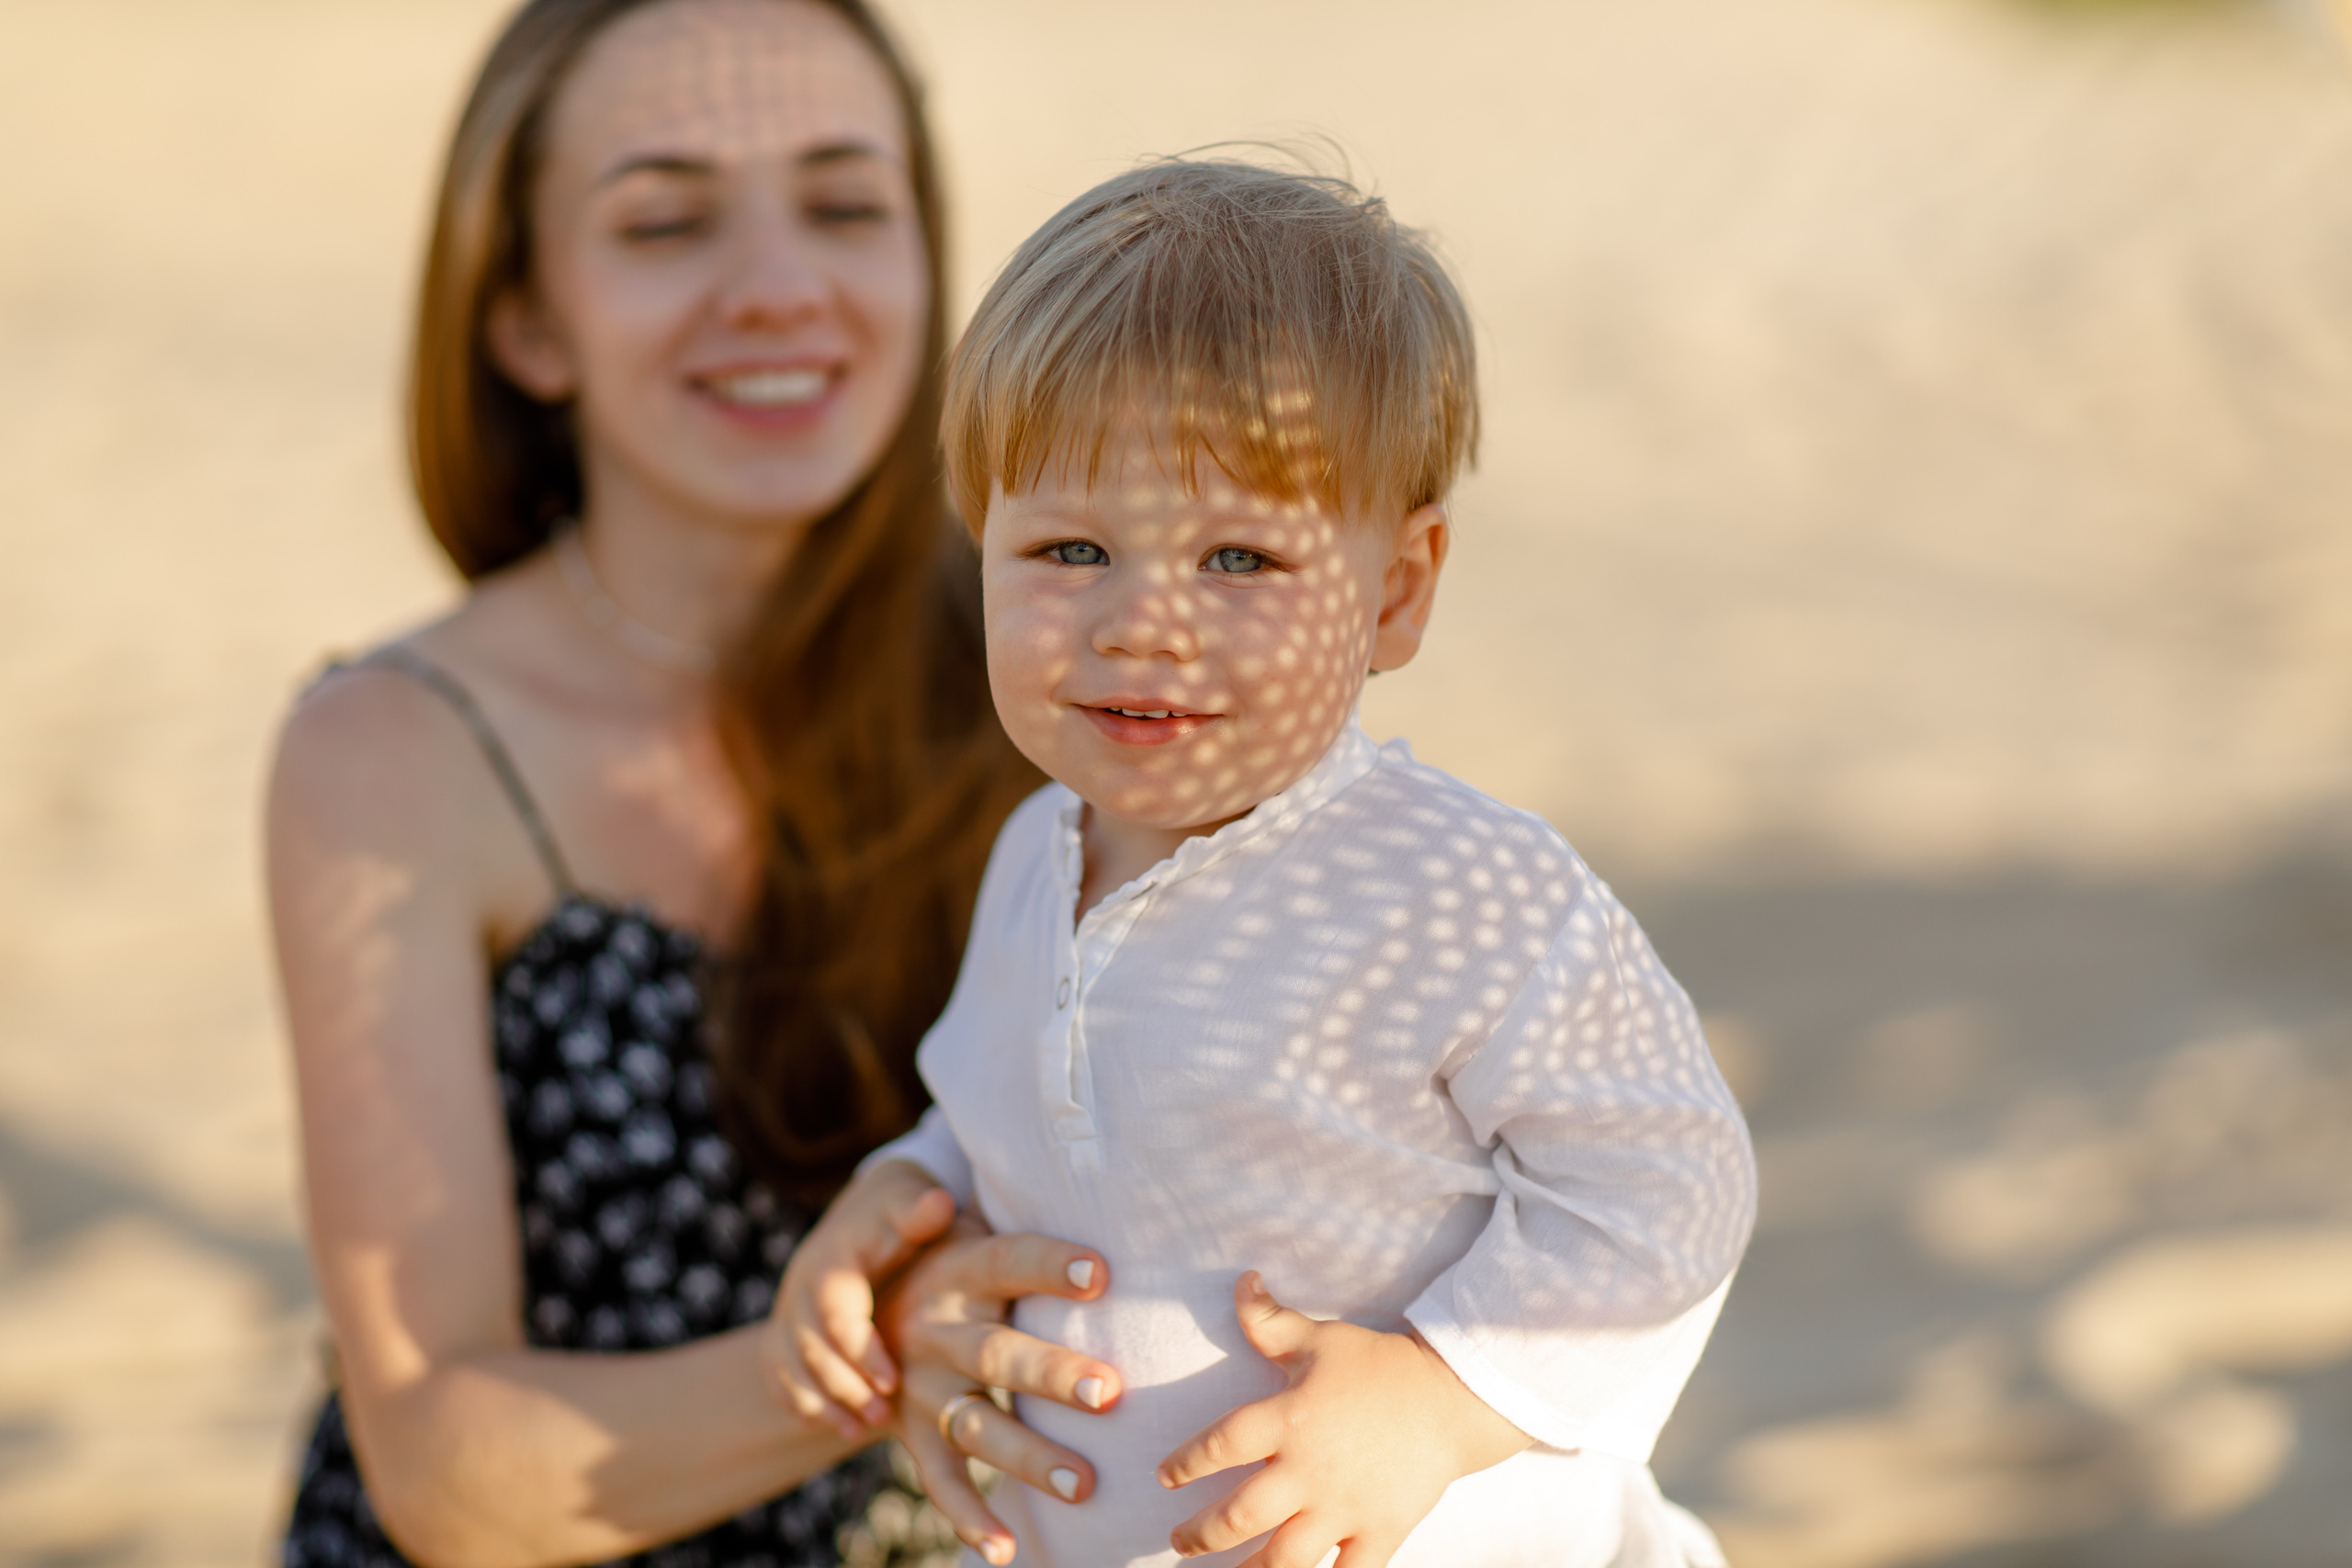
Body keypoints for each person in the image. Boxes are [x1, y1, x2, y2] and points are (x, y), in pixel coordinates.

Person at [762, 159, 1759, 1568]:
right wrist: (895, 1205)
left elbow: (1672, 1181)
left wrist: (1438, 1400)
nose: (1141, 623)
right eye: (1070, 547)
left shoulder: (1456, 890)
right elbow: (1014, 1119)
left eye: (1237, 559)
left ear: (1396, 589)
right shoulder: (1032, 861)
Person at [266, 2, 1119, 1564]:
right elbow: (444, 1470)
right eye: (664, 222)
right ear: (526, 320)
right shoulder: (395, 749)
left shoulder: (1074, 657)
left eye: (848, 206)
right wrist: (881, 1351)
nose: (782, 287)